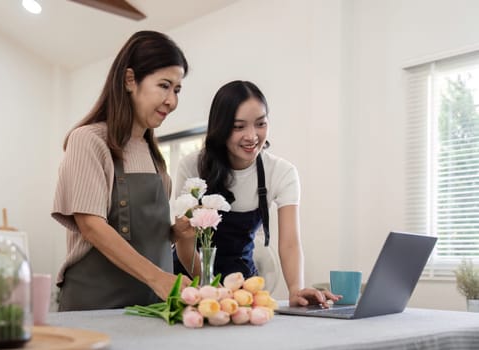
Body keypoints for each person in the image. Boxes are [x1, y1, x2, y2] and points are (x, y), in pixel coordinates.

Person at [52, 30, 193, 311]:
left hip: (151, 309)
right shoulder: (89, 140)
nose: (172, 101)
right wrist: (159, 279)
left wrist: (175, 232)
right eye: (164, 85)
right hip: (96, 308)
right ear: (130, 80)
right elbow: (91, 226)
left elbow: (144, 235)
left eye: (177, 89)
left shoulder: (156, 159)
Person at [174, 80, 340, 307]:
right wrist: (210, 287)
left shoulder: (281, 172)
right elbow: (184, 241)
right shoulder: (192, 167)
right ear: (220, 127)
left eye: (260, 124)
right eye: (239, 126)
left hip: (241, 283)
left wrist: (296, 289)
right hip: (191, 280)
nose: (252, 136)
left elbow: (290, 242)